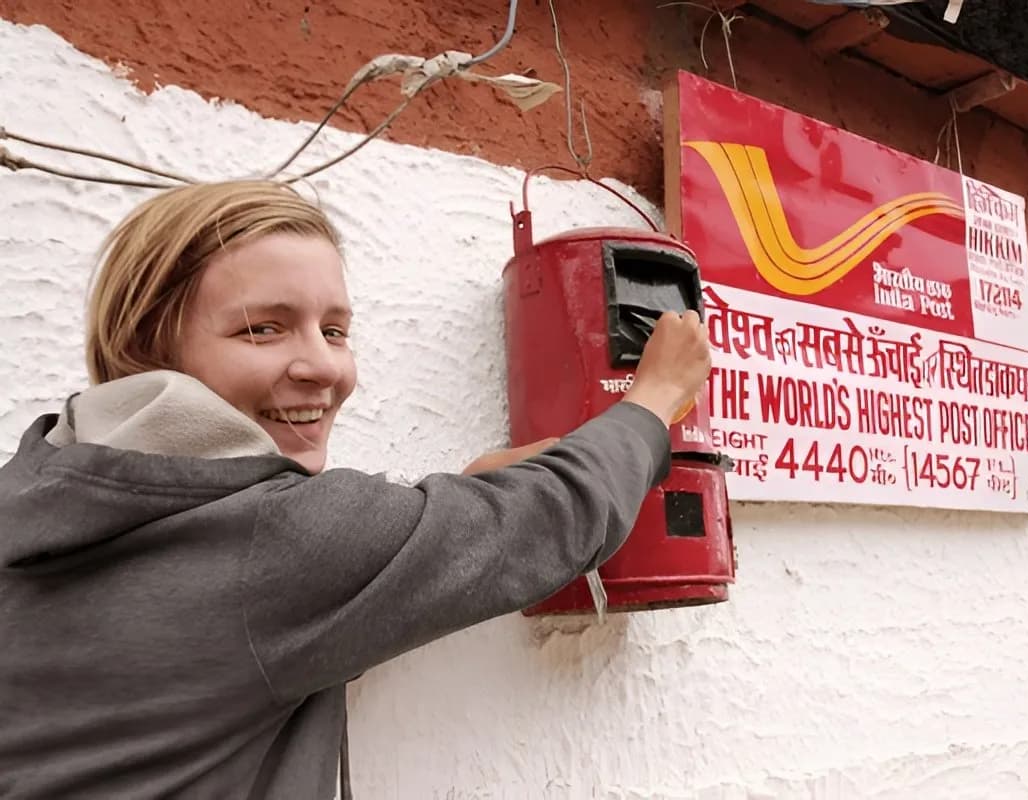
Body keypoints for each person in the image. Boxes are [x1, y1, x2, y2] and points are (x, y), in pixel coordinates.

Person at [0, 180, 712, 799]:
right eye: (262, 329)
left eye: (335, 329)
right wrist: (651, 400)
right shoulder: (281, 546)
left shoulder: (36, 492)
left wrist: (443, 508)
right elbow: (551, 516)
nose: (322, 367)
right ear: (147, 344)